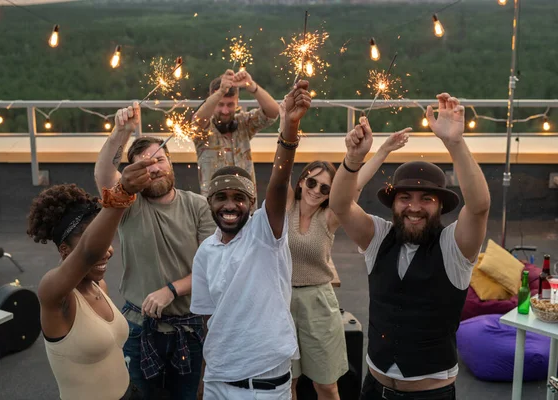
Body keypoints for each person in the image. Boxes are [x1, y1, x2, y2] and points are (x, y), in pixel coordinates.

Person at [330, 93, 491, 400]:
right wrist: (352, 158)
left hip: (430, 395)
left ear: (441, 206)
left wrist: (455, 143)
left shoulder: (454, 247)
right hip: (374, 389)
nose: (414, 208)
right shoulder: (379, 236)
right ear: (393, 204)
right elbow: (339, 205)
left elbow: (480, 206)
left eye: (426, 199)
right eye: (405, 198)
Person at [190, 80, 312, 399]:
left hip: (263, 386)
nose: (229, 203)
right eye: (222, 197)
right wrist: (206, 375)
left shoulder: (264, 232)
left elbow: (277, 181)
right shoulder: (206, 250)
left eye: (232, 103)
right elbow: (208, 320)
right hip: (219, 380)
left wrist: (289, 131)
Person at [94, 102, 216, 399]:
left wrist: (171, 290)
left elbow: (211, 267)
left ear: (170, 162)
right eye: (146, 165)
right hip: (138, 327)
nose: (155, 168)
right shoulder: (129, 204)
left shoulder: (198, 205)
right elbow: (104, 178)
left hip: (189, 329)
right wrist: (120, 133)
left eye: (160, 159)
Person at [287, 124, 410, 400]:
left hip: (317, 304)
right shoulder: (285, 207)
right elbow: (281, 164)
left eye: (325, 187)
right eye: (311, 182)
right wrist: (288, 123)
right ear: (300, 181)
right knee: (288, 383)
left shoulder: (329, 217)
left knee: (327, 386)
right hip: (280, 302)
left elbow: (355, 183)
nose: (316, 190)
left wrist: (383, 150)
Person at [27, 172, 154, 400]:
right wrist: (121, 193)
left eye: (109, 240)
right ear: (65, 249)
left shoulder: (99, 286)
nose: (108, 250)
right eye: (100, 242)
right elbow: (88, 252)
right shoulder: (55, 294)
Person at [192, 69, 279, 199]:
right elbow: (198, 120)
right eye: (220, 104)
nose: (225, 111)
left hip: (246, 205)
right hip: (213, 209)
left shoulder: (243, 123)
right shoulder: (204, 131)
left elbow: (273, 112)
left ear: (237, 102)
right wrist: (221, 91)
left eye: (230, 104)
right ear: (212, 100)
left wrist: (252, 86)